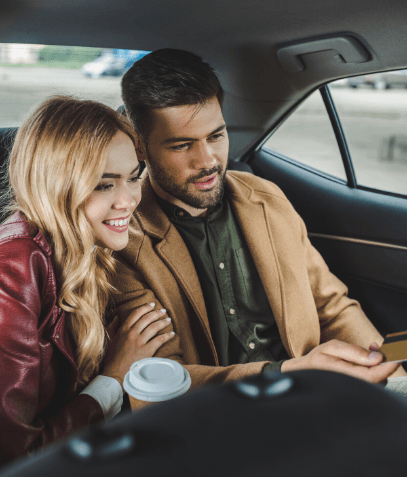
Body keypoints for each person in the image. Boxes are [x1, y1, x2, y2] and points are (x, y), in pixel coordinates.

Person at [111, 48, 405, 398]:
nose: (207, 161)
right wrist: (288, 373)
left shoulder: (266, 198)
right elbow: (156, 383)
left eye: (216, 136)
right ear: (140, 147)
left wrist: (397, 383)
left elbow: (332, 306)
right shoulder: (123, 242)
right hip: (221, 421)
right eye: (182, 145)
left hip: (320, 398)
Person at [0, 96, 175, 477]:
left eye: (134, 176)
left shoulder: (87, 249)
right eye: (103, 185)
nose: (130, 199)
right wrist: (113, 379)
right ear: (57, 187)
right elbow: (16, 457)